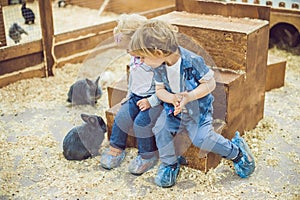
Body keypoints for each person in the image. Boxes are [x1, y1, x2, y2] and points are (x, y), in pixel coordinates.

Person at [129, 20, 255, 187]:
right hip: (173, 111)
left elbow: (209, 84)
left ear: (158, 52)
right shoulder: (159, 66)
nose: (141, 61)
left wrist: (189, 96)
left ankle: (236, 152)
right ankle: (169, 164)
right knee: (160, 129)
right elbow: (160, 90)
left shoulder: (192, 61)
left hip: (198, 113)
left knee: (201, 139)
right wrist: (171, 98)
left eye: (143, 57)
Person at [100, 14, 163, 175]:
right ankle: (116, 147)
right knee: (121, 117)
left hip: (154, 100)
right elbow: (133, 79)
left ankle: (147, 155)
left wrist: (152, 101)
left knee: (142, 123)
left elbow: (165, 87)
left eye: (129, 48)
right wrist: (129, 95)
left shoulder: (154, 60)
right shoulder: (134, 58)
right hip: (135, 96)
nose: (128, 52)